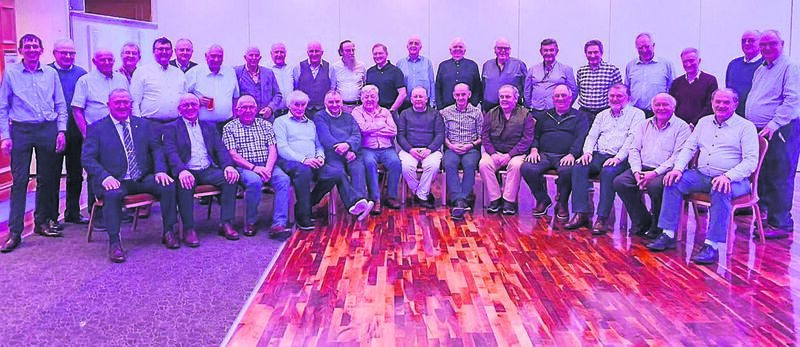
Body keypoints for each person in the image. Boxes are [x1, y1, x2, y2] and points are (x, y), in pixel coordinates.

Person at [648, 88, 758, 265]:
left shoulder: (746, 127)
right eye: (718, 102)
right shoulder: (704, 122)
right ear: (712, 103)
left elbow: (750, 162)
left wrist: (728, 177)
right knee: (672, 182)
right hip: (701, 175)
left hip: (735, 180)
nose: (721, 105)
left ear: (735, 104)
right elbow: (689, 148)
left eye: (726, 102)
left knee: (721, 188)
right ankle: (667, 233)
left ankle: (711, 245)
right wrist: (677, 169)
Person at [81, 89, 178, 262]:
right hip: (114, 180)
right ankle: (114, 243)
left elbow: (156, 149)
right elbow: (87, 158)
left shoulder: (143, 125)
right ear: (108, 105)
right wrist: (104, 177)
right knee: (112, 195)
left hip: (141, 177)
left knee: (168, 185)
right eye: (117, 102)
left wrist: (161, 171)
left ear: (131, 105)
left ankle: (168, 231)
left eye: (126, 102)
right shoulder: (97, 128)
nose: (122, 105)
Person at [0, 34, 68, 253]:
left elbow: (60, 103)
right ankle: (15, 232)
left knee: (46, 179)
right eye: (27, 46)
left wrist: (61, 130)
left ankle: (41, 222)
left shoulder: (51, 73)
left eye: (35, 46)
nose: (31, 49)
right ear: (20, 50)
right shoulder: (10, 74)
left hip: (47, 129)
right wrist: (5, 136)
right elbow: (2, 107)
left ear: (41, 50)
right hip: (21, 130)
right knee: (19, 181)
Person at [163, 94, 240, 246]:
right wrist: (181, 171)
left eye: (194, 104)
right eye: (186, 105)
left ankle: (226, 223)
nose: (190, 108)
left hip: (207, 169)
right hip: (187, 170)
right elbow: (170, 152)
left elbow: (220, 149)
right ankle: (189, 229)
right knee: (185, 184)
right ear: (179, 109)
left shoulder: (209, 126)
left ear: (199, 107)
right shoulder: (171, 128)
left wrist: (228, 166)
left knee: (230, 179)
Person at [566, 84, 645, 234]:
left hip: (622, 158)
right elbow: (592, 136)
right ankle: (580, 213)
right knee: (579, 167)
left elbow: (633, 139)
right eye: (612, 96)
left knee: (608, 173)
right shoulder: (601, 115)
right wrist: (587, 153)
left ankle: (602, 218)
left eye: (619, 96)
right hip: (599, 154)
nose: (615, 99)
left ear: (627, 98)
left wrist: (618, 158)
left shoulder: (637, 114)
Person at [745, 29, 800, 239]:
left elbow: (792, 100)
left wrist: (774, 124)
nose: (767, 48)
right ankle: (767, 219)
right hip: (762, 130)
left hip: (781, 130)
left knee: (780, 175)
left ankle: (781, 224)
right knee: (765, 175)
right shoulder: (761, 69)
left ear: (782, 43)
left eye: (772, 44)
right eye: (764, 44)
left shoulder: (790, 67)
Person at [613, 93, 691, 239]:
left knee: (655, 186)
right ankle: (642, 221)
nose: (661, 108)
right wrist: (636, 171)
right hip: (642, 168)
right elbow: (634, 149)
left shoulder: (682, 127)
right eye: (657, 105)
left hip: (665, 171)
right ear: (652, 107)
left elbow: (678, 156)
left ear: (673, 107)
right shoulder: (644, 125)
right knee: (620, 182)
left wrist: (655, 173)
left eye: (665, 105)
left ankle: (658, 226)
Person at [72, 49, 129, 221]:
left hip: (119, 131)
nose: (106, 62)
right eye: (102, 59)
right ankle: (97, 214)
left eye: (110, 59)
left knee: (119, 168)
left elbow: (127, 103)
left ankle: (117, 210)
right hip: (96, 134)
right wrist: (86, 134)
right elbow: (77, 109)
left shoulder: (121, 78)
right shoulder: (85, 81)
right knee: (95, 172)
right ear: (94, 61)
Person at [223, 95, 292, 239]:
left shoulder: (265, 125)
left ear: (256, 109)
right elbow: (233, 154)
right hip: (245, 167)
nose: (248, 110)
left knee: (283, 180)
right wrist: (254, 168)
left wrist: (267, 168)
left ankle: (278, 224)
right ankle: (251, 221)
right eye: (244, 107)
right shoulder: (229, 127)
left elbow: (273, 148)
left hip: (268, 165)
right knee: (254, 182)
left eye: (251, 107)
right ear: (237, 110)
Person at [521, 84, 589, 221]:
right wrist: (534, 149)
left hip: (566, 155)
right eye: (557, 96)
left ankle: (562, 203)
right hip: (544, 154)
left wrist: (572, 154)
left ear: (570, 98)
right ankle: (543, 199)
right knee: (527, 168)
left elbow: (581, 137)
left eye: (564, 95)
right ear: (552, 98)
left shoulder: (580, 116)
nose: (560, 98)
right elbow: (535, 135)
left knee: (568, 171)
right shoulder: (544, 116)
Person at [273, 91, 332, 230]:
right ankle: (304, 215)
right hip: (289, 161)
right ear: (289, 105)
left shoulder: (310, 124)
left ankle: (304, 205)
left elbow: (318, 145)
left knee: (333, 173)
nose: (300, 108)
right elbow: (282, 148)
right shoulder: (280, 122)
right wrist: (304, 159)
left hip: (312, 161)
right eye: (296, 105)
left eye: (303, 105)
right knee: (304, 171)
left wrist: (320, 157)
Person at [313, 90, 374, 220]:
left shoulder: (349, 116)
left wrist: (349, 146)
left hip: (351, 153)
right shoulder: (320, 116)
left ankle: (361, 202)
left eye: (337, 101)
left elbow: (357, 135)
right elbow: (325, 137)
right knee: (339, 172)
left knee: (358, 168)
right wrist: (345, 151)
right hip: (332, 155)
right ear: (325, 103)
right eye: (331, 102)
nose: (334, 104)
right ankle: (355, 203)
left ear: (342, 102)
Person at [47, 39, 88, 227]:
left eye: (71, 53)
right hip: (52, 132)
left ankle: (72, 212)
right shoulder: (47, 72)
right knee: (52, 174)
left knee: (76, 173)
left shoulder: (81, 74)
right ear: (54, 53)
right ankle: (51, 216)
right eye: (64, 53)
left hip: (76, 131)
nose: (68, 56)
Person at [479, 85, 535, 215]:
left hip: (516, 153)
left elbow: (527, 139)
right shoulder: (490, 113)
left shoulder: (526, 114)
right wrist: (492, 153)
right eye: (502, 97)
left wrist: (510, 155)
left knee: (516, 166)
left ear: (515, 99)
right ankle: (495, 199)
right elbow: (485, 136)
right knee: (484, 164)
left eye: (508, 97)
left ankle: (508, 201)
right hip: (494, 152)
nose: (504, 99)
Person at [351, 85, 402, 214]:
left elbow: (394, 130)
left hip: (386, 148)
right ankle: (375, 200)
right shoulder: (356, 112)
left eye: (372, 96)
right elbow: (362, 129)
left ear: (377, 98)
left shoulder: (385, 111)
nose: (369, 99)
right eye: (366, 96)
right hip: (367, 148)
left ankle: (391, 196)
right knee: (369, 163)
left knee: (396, 163)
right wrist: (381, 125)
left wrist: (371, 130)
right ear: (361, 98)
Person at [397, 87, 444, 209]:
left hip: (430, 150)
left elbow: (440, 134)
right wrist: (410, 149)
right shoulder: (404, 114)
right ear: (411, 99)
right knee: (406, 167)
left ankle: (420, 194)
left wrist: (429, 149)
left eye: (421, 96)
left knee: (432, 166)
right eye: (415, 97)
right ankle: (423, 194)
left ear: (426, 99)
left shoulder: (435, 114)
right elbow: (400, 135)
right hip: (410, 150)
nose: (418, 99)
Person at [441, 83, 483, 220]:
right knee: (449, 164)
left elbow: (481, 136)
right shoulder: (445, 112)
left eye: (463, 94)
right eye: (458, 94)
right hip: (452, 147)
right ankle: (459, 199)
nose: (460, 97)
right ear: (453, 95)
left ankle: (461, 199)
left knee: (469, 165)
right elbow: (443, 135)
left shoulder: (477, 112)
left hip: (470, 148)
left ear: (469, 95)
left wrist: (470, 145)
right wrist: (451, 146)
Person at [130, 37, 187, 124]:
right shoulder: (142, 72)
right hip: (149, 124)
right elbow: (134, 101)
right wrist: (138, 124)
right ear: (153, 52)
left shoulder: (179, 73)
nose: (164, 52)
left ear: (172, 52)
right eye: (160, 49)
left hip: (175, 125)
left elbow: (184, 100)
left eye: (167, 49)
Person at [186, 44, 240, 128]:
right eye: (213, 56)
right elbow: (183, 97)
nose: (216, 59)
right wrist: (197, 101)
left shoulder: (230, 72)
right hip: (202, 125)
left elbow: (235, 97)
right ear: (206, 56)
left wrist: (235, 117)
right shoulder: (194, 72)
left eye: (219, 56)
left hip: (226, 124)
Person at [625, 33, 675, 117]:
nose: (644, 50)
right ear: (636, 48)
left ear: (654, 45)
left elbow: (672, 90)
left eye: (647, 46)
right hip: (635, 114)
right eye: (640, 48)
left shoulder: (666, 64)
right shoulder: (630, 65)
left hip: (658, 113)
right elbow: (627, 90)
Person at [525, 38, 576, 112]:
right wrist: (530, 106)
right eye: (545, 50)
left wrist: (565, 106)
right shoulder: (532, 69)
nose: (548, 53)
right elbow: (527, 91)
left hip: (556, 112)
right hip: (537, 111)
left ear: (557, 51)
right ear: (541, 52)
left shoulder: (566, 69)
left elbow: (573, 91)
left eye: (551, 50)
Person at [668, 48, 718, 125]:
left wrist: (694, 123)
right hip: (679, 126)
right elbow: (672, 105)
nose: (688, 64)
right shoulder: (676, 82)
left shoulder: (710, 80)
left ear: (699, 61)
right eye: (685, 61)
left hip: (702, 125)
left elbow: (710, 106)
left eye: (691, 60)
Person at [576, 39, 623, 119]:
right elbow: (580, 91)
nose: (593, 55)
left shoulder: (612, 70)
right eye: (590, 53)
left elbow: (619, 94)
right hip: (584, 113)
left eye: (595, 52)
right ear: (586, 54)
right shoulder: (581, 71)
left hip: (605, 113)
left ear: (601, 53)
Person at [234, 46, 282, 120]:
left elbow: (277, 95)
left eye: (256, 56)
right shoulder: (237, 72)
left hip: (266, 119)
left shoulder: (268, 73)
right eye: (251, 55)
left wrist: (270, 108)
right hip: (244, 119)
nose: (254, 58)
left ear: (260, 58)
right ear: (245, 57)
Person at [482, 38, 527, 112]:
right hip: (490, 108)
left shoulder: (519, 65)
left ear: (510, 50)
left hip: (512, 109)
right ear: (494, 50)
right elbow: (483, 86)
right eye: (499, 48)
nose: (503, 51)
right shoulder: (487, 65)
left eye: (506, 49)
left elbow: (525, 87)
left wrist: (526, 107)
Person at [726, 30, 763, 117]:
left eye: (751, 40)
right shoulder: (733, 64)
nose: (746, 43)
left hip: (758, 119)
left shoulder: (766, 65)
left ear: (760, 42)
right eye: (743, 41)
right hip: (735, 118)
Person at [436, 38, 481, 109]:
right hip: (446, 108)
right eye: (455, 47)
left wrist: (473, 105)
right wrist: (440, 107)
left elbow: (477, 88)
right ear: (450, 50)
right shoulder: (443, 66)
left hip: (467, 109)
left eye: (460, 47)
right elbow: (438, 88)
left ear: (465, 50)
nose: (458, 49)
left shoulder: (472, 65)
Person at [293, 41, 336, 116]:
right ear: (307, 53)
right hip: (304, 111)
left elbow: (332, 89)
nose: (314, 54)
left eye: (317, 51)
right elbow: (296, 89)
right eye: (311, 51)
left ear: (322, 53)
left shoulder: (330, 67)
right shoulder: (298, 67)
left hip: (324, 111)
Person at [396, 36, 436, 111]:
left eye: (416, 43)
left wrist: (432, 102)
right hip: (405, 103)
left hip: (423, 103)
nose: (413, 45)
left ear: (420, 47)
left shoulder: (427, 62)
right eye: (411, 43)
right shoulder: (400, 63)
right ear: (407, 47)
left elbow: (432, 83)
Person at [366, 43, 406, 113]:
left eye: (380, 53)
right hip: (372, 112)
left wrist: (392, 110)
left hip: (390, 111)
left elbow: (402, 93)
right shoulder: (370, 72)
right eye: (375, 54)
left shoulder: (396, 71)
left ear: (386, 54)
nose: (378, 56)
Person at [332, 40, 366, 113]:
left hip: (359, 107)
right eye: (347, 51)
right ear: (341, 52)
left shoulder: (361, 66)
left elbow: (365, 85)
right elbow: (332, 89)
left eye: (353, 50)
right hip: (341, 107)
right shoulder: (335, 67)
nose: (351, 53)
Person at [270, 42, 293, 116]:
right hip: (272, 112)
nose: (279, 55)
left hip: (290, 112)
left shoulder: (291, 69)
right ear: (271, 53)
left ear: (285, 54)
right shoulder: (266, 69)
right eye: (276, 52)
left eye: (281, 52)